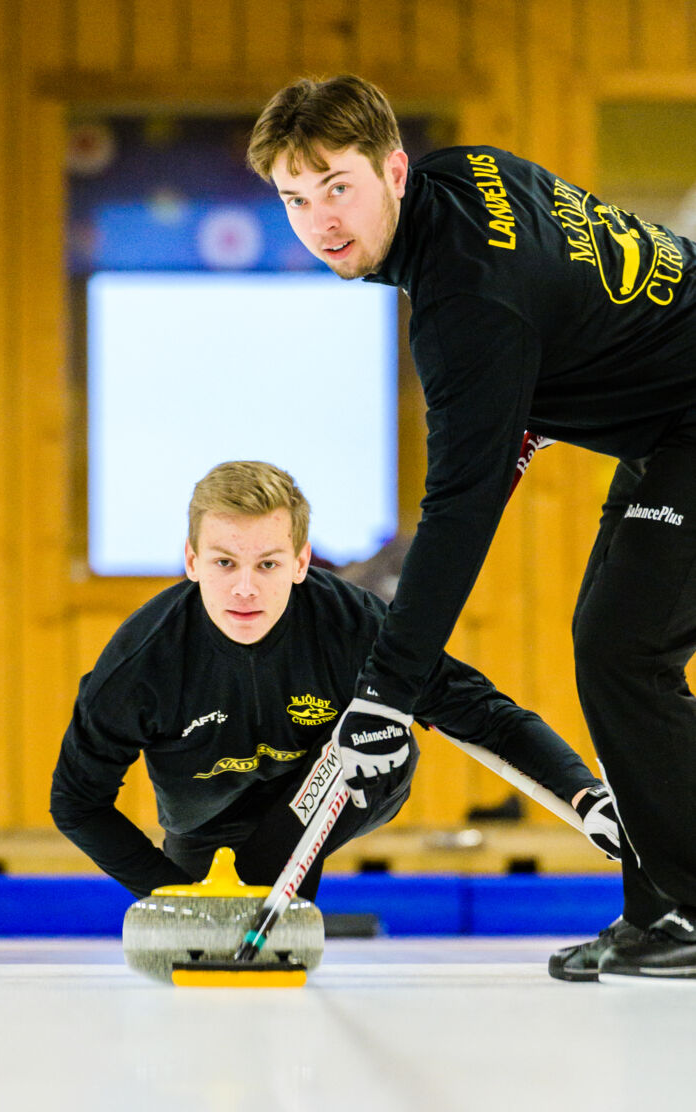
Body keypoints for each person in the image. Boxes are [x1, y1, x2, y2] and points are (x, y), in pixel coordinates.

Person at [246, 75, 696, 982]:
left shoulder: (463, 306)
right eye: (296, 197)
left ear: (393, 170)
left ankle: (682, 909)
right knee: (613, 646)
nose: (321, 219)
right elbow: (561, 305)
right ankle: (663, 914)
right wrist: (520, 407)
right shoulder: (466, 181)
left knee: (624, 648)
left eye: (339, 186)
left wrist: (384, 695)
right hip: (667, 420)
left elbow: (460, 509)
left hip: (682, 417)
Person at [51, 460, 615, 905]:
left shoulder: (352, 624)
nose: (244, 588)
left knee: (377, 732)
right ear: (191, 561)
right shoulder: (141, 663)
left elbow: (482, 713)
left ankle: (270, 890)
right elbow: (76, 802)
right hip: (205, 824)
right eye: (225, 563)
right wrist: (172, 895)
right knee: (228, 925)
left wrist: (584, 796)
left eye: (267, 564)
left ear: (301, 563)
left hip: (345, 774)